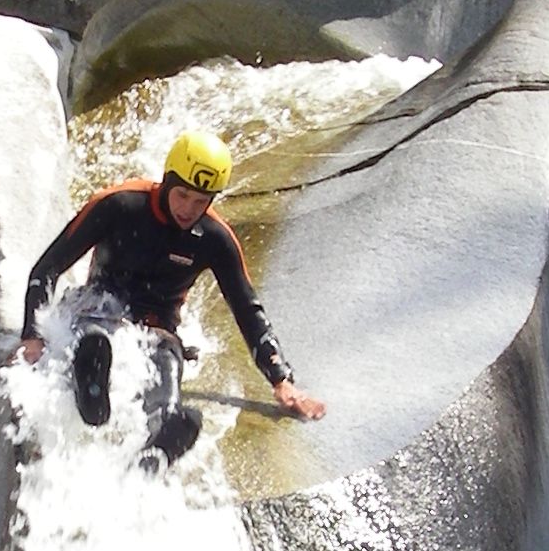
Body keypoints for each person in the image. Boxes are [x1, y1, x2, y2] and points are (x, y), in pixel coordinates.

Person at [18, 128, 327, 462]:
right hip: (97, 309)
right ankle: (91, 396)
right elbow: (47, 268)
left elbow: (247, 308)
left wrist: (281, 379)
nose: (188, 208)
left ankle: (157, 445)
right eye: (182, 195)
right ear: (167, 181)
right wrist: (32, 336)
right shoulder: (120, 204)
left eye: (200, 201)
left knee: (165, 363)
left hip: (157, 327)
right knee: (94, 338)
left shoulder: (214, 238)